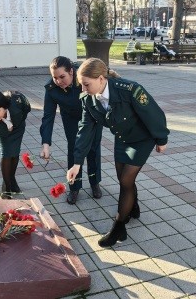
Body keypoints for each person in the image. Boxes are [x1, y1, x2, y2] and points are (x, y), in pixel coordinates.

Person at [66, 58, 169, 247]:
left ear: (101, 79)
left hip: (142, 139)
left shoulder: (129, 90)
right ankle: (133, 207)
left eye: (86, 84)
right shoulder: (88, 99)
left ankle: (118, 228)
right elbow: (84, 130)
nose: (83, 89)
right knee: (124, 179)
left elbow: (153, 114)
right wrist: (77, 163)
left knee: (125, 181)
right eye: (81, 84)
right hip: (122, 140)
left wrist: (161, 139)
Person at [40, 56, 103, 204]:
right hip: (71, 119)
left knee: (93, 148)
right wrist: (46, 144)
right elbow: (48, 117)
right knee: (74, 149)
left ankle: (94, 182)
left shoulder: (83, 77)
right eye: (55, 78)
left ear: (72, 72)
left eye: (62, 77)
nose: (58, 81)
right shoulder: (51, 89)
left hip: (92, 116)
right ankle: (74, 187)